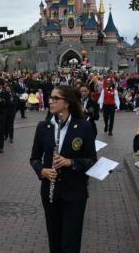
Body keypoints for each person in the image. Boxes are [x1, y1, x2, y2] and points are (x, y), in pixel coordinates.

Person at [30, 85, 97, 253]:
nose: (50, 101)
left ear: (66, 103)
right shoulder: (43, 127)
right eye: (50, 98)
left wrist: (71, 163)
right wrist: (42, 171)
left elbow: (91, 160)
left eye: (55, 99)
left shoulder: (83, 126)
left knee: (70, 242)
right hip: (50, 193)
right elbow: (34, 159)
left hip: (74, 192)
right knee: (54, 239)